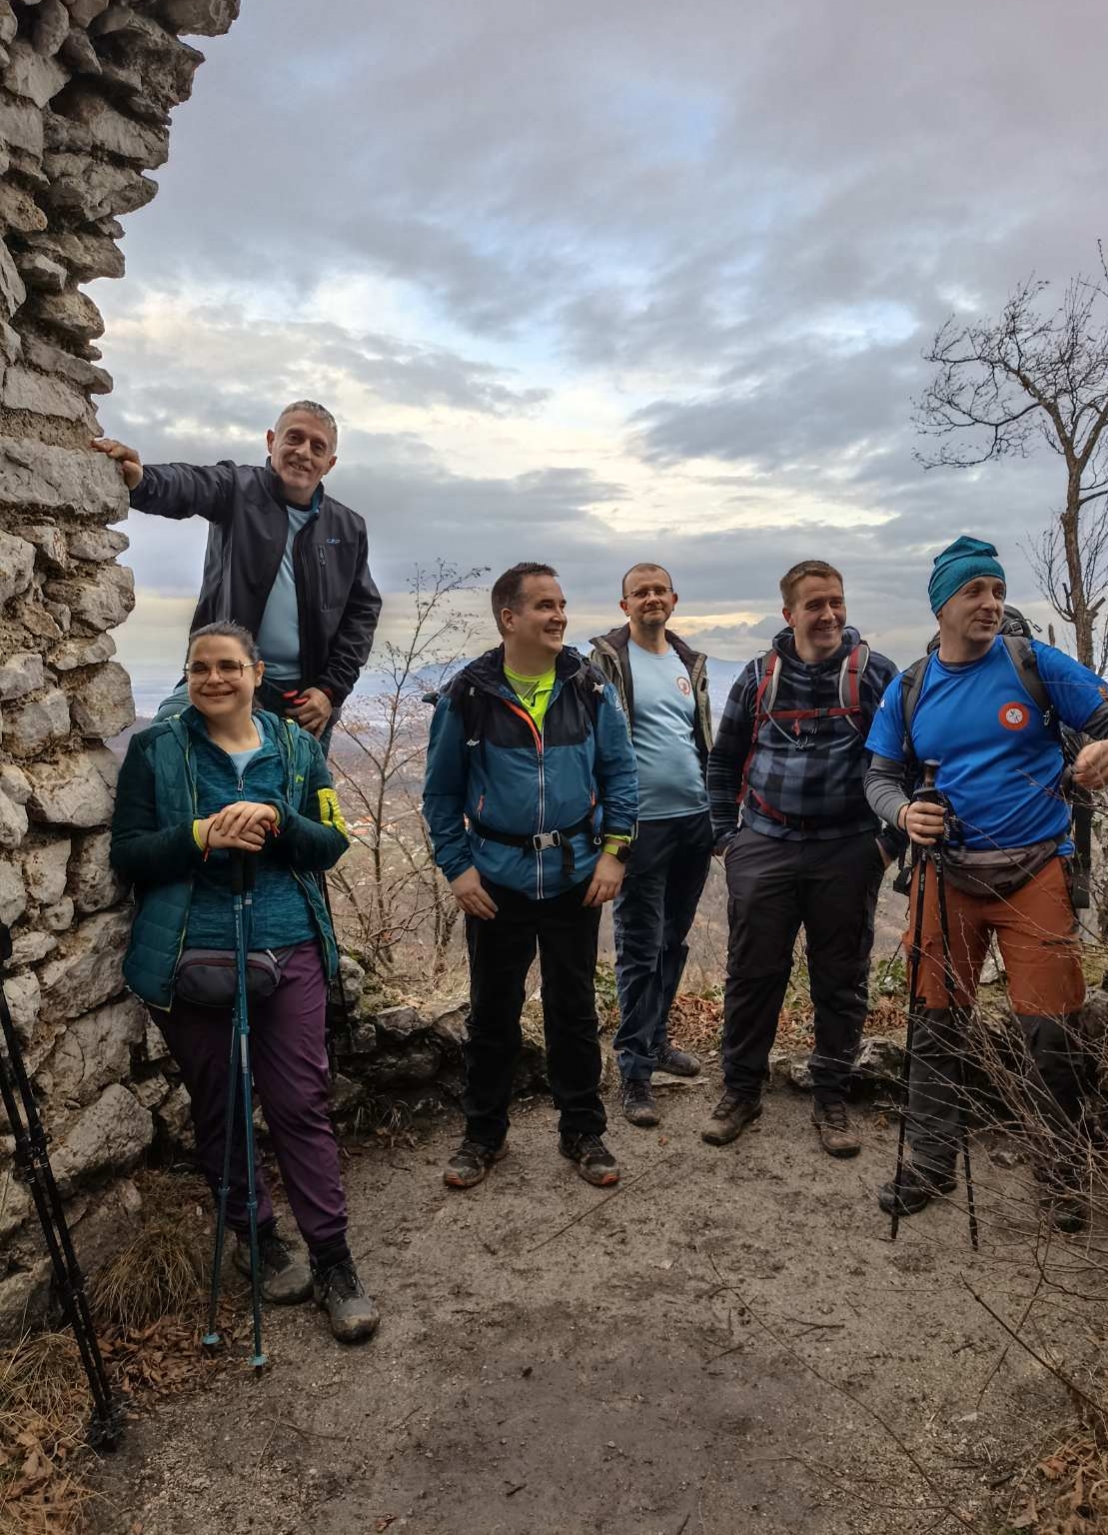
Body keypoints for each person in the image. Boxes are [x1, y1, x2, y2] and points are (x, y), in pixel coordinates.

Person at [865, 536, 1108, 1230]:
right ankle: (932, 1163)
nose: (992, 603)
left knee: (1052, 1033)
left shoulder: (1034, 664)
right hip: (945, 876)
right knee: (936, 1027)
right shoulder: (909, 688)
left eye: (996, 590)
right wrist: (904, 812)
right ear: (942, 605)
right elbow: (876, 776)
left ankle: (1062, 1175)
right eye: (976, 592)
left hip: (1036, 871)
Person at [110, 621, 378, 1343]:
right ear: (188, 677)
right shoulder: (154, 750)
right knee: (222, 1107)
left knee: (300, 1104)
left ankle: (333, 1261)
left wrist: (278, 818)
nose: (215, 679)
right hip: (190, 956)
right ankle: (258, 1237)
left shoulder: (297, 748)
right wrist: (200, 835)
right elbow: (129, 854)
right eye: (201, 668)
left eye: (229, 666)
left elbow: (331, 843)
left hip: (287, 946)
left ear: (257, 672)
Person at [423, 563, 639, 1191]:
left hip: (576, 876)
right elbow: (441, 795)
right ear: (508, 618)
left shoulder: (589, 687)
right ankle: (482, 1135)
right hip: (496, 882)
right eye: (545, 605)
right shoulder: (467, 695)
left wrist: (615, 852)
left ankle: (583, 1131)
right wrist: (458, 869)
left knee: (573, 1008)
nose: (560, 616)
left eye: (562, 603)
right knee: (494, 1011)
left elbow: (621, 776)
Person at [703, 561, 900, 1155]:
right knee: (752, 976)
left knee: (841, 980)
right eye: (815, 604)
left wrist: (885, 847)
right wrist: (727, 839)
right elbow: (723, 762)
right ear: (789, 615)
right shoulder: (757, 677)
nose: (829, 615)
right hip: (765, 843)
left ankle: (831, 1097)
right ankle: (741, 1091)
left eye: (836, 602)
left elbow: (906, 766)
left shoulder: (875, 676)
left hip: (848, 846)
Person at [93, 401, 381, 752]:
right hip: (222, 679)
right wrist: (143, 480)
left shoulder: (348, 528)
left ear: (329, 464)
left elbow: (362, 613)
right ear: (271, 441)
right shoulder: (237, 489)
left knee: (297, 803)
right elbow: (191, 484)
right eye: (294, 438)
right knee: (163, 752)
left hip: (303, 703)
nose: (304, 453)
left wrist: (330, 690)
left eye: (317, 447)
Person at [589, 563, 712, 1128]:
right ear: (625, 605)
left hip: (694, 821)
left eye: (659, 590)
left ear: (674, 598)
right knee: (640, 948)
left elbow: (697, 738)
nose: (651, 599)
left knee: (672, 942)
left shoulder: (688, 662)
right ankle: (634, 1071)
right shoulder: (607, 664)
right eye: (640, 592)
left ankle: (656, 1041)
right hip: (639, 826)